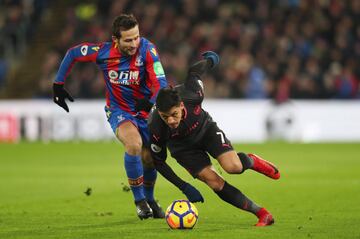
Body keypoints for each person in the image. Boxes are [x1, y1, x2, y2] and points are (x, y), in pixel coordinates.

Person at [52, 14, 168, 220]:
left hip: (145, 111)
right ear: (116, 39)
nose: (134, 43)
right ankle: (140, 201)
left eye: (137, 37)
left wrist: (151, 103)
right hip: (118, 110)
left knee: (150, 159)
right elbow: (72, 54)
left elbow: (161, 83)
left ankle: (150, 199)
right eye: (129, 40)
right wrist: (58, 84)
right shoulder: (103, 53)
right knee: (133, 144)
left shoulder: (148, 50)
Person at [148, 51, 280, 226]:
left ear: (181, 105)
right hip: (183, 149)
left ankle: (250, 160)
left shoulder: (192, 94)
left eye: (174, 114)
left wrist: (211, 61)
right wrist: (184, 186)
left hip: (205, 130)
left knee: (233, 167)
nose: (170, 121)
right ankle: (262, 214)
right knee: (215, 183)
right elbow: (158, 162)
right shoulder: (155, 126)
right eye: (166, 117)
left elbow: (194, 72)